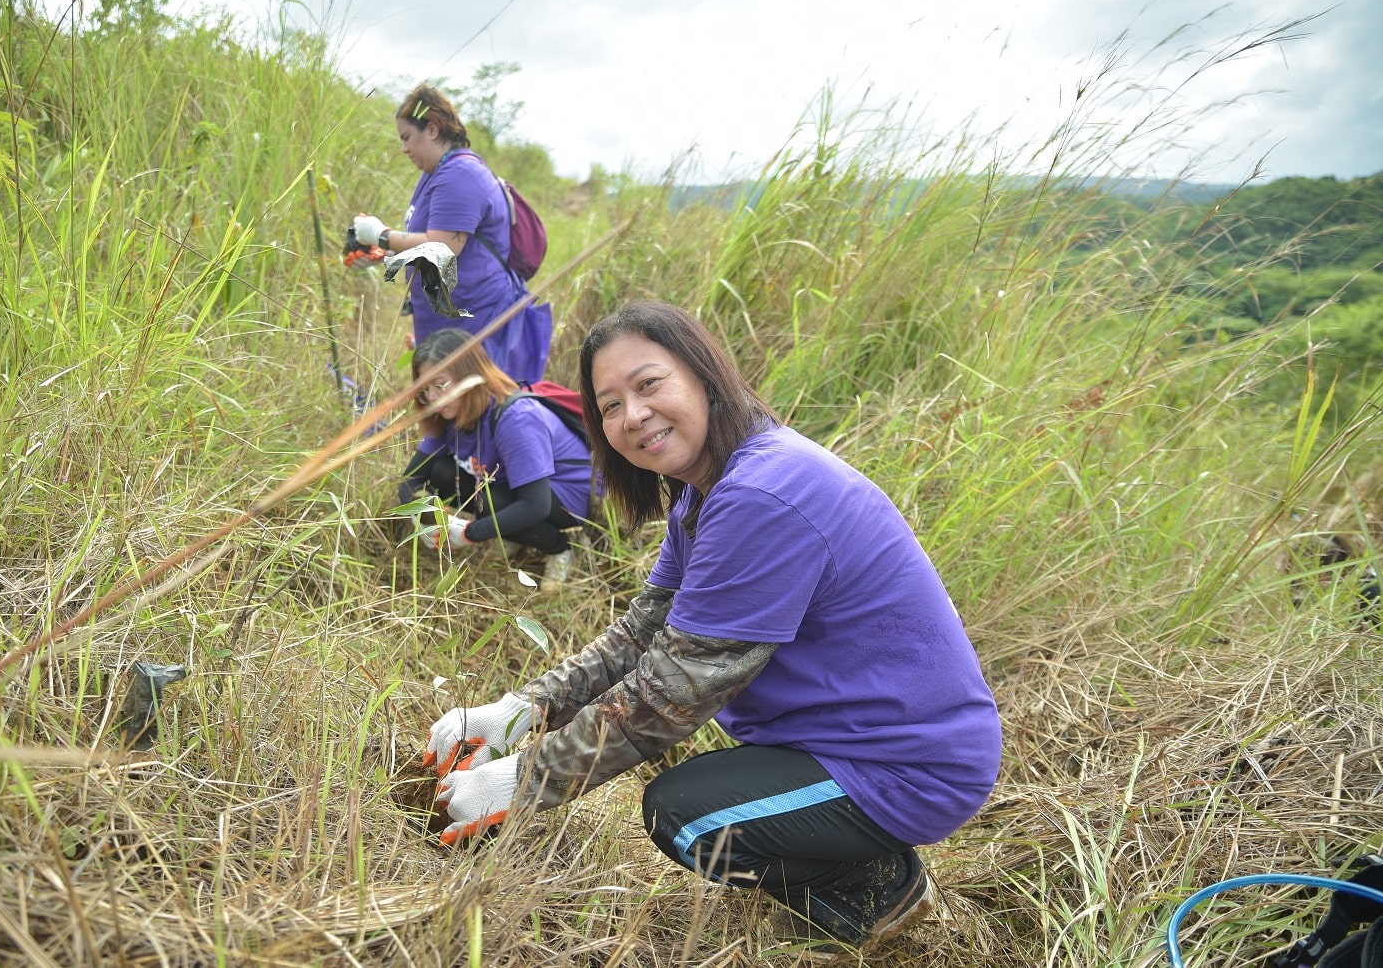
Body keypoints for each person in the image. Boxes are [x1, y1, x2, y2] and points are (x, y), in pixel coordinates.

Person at [422, 301, 1003, 952]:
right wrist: (520, 710)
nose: (632, 416)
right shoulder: (708, 491)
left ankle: (876, 887)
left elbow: (672, 693)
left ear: (703, 373)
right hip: (849, 737)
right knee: (698, 793)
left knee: (687, 817)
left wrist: (521, 781)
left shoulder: (762, 494)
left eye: (648, 385)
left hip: (909, 764)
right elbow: (643, 633)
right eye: (609, 405)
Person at [351, 84, 551, 384]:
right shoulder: (436, 174)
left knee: (474, 413)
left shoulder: (461, 175)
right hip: (449, 324)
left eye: (407, 137)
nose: (404, 148)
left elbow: (442, 247)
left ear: (431, 130)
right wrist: (385, 254)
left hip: (477, 325)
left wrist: (381, 235)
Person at [400, 328, 592, 587]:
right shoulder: (447, 413)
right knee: (442, 472)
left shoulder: (515, 418)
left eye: (441, 384)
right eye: (425, 389)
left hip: (565, 496)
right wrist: (422, 513)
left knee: (492, 502)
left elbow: (536, 504)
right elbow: (412, 478)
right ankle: (513, 532)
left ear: (470, 376)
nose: (433, 397)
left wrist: (468, 532)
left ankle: (559, 549)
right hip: (511, 484)